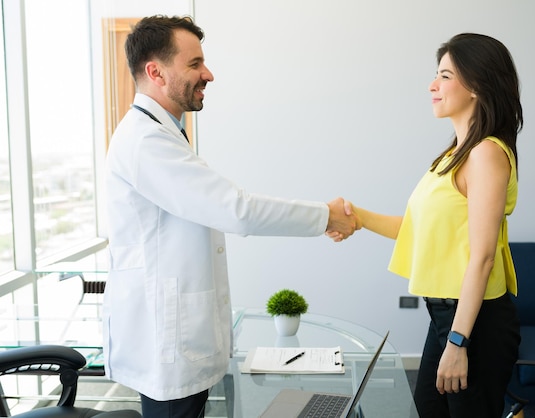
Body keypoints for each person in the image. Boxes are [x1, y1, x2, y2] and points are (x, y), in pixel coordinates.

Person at [103, 15, 358, 418]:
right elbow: (236, 210)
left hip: (177, 340)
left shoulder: (163, 133)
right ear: (155, 72)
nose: (208, 74)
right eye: (194, 64)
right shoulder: (145, 141)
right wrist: (325, 216)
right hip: (166, 346)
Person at [334, 33, 523, 417]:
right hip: (446, 316)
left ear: (478, 84)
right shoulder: (454, 155)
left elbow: (483, 256)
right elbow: (418, 228)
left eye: (445, 76)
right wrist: (357, 217)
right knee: (428, 408)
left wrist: (458, 342)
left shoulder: (486, 153)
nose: (432, 86)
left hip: (475, 323)